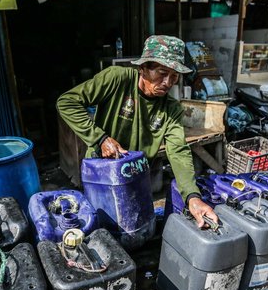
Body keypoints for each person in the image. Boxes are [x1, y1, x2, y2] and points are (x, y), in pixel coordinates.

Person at [57, 35, 218, 228]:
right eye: (161, 72)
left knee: (133, 227)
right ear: (142, 68)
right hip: (101, 175)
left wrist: (192, 197)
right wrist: (100, 139)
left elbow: (179, 152)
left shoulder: (172, 108)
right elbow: (66, 102)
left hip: (136, 178)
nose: (168, 82)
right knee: (101, 226)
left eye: (174, 76)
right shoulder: (117, 79)